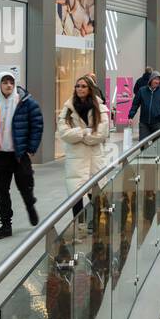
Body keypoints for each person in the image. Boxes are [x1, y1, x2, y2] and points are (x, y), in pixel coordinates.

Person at [0, 69, 42, 239]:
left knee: (25, 185)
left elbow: (37, 125)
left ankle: (30, 204)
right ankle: (6, 225)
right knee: (1, 191)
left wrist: (30, 148)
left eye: (11, 82)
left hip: (20, 155)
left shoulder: (26, 102)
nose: (8, 85)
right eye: (5, 82)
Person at [56, 75, 111, 221]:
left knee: (96, 193)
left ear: (90, 89)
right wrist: (85, 131)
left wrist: (81, 136)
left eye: (83, 86)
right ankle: (79, 225)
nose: (80, 89)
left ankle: (97, 223)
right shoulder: (68, 109)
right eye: (77, 86)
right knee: (76, 195)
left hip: (94, 157)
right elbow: (64, 133)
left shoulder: (100, 108)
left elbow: (102, 133)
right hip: (76, 158)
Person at [127, 71, 160, 141]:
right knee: (143, 143)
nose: (157, 81)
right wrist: (130, 116)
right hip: (144, 123)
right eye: (155, 79)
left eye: (159, 80)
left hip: (157, 122)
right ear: (151, 80)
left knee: (157, 144)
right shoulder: (142, 90)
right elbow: (135, 104)